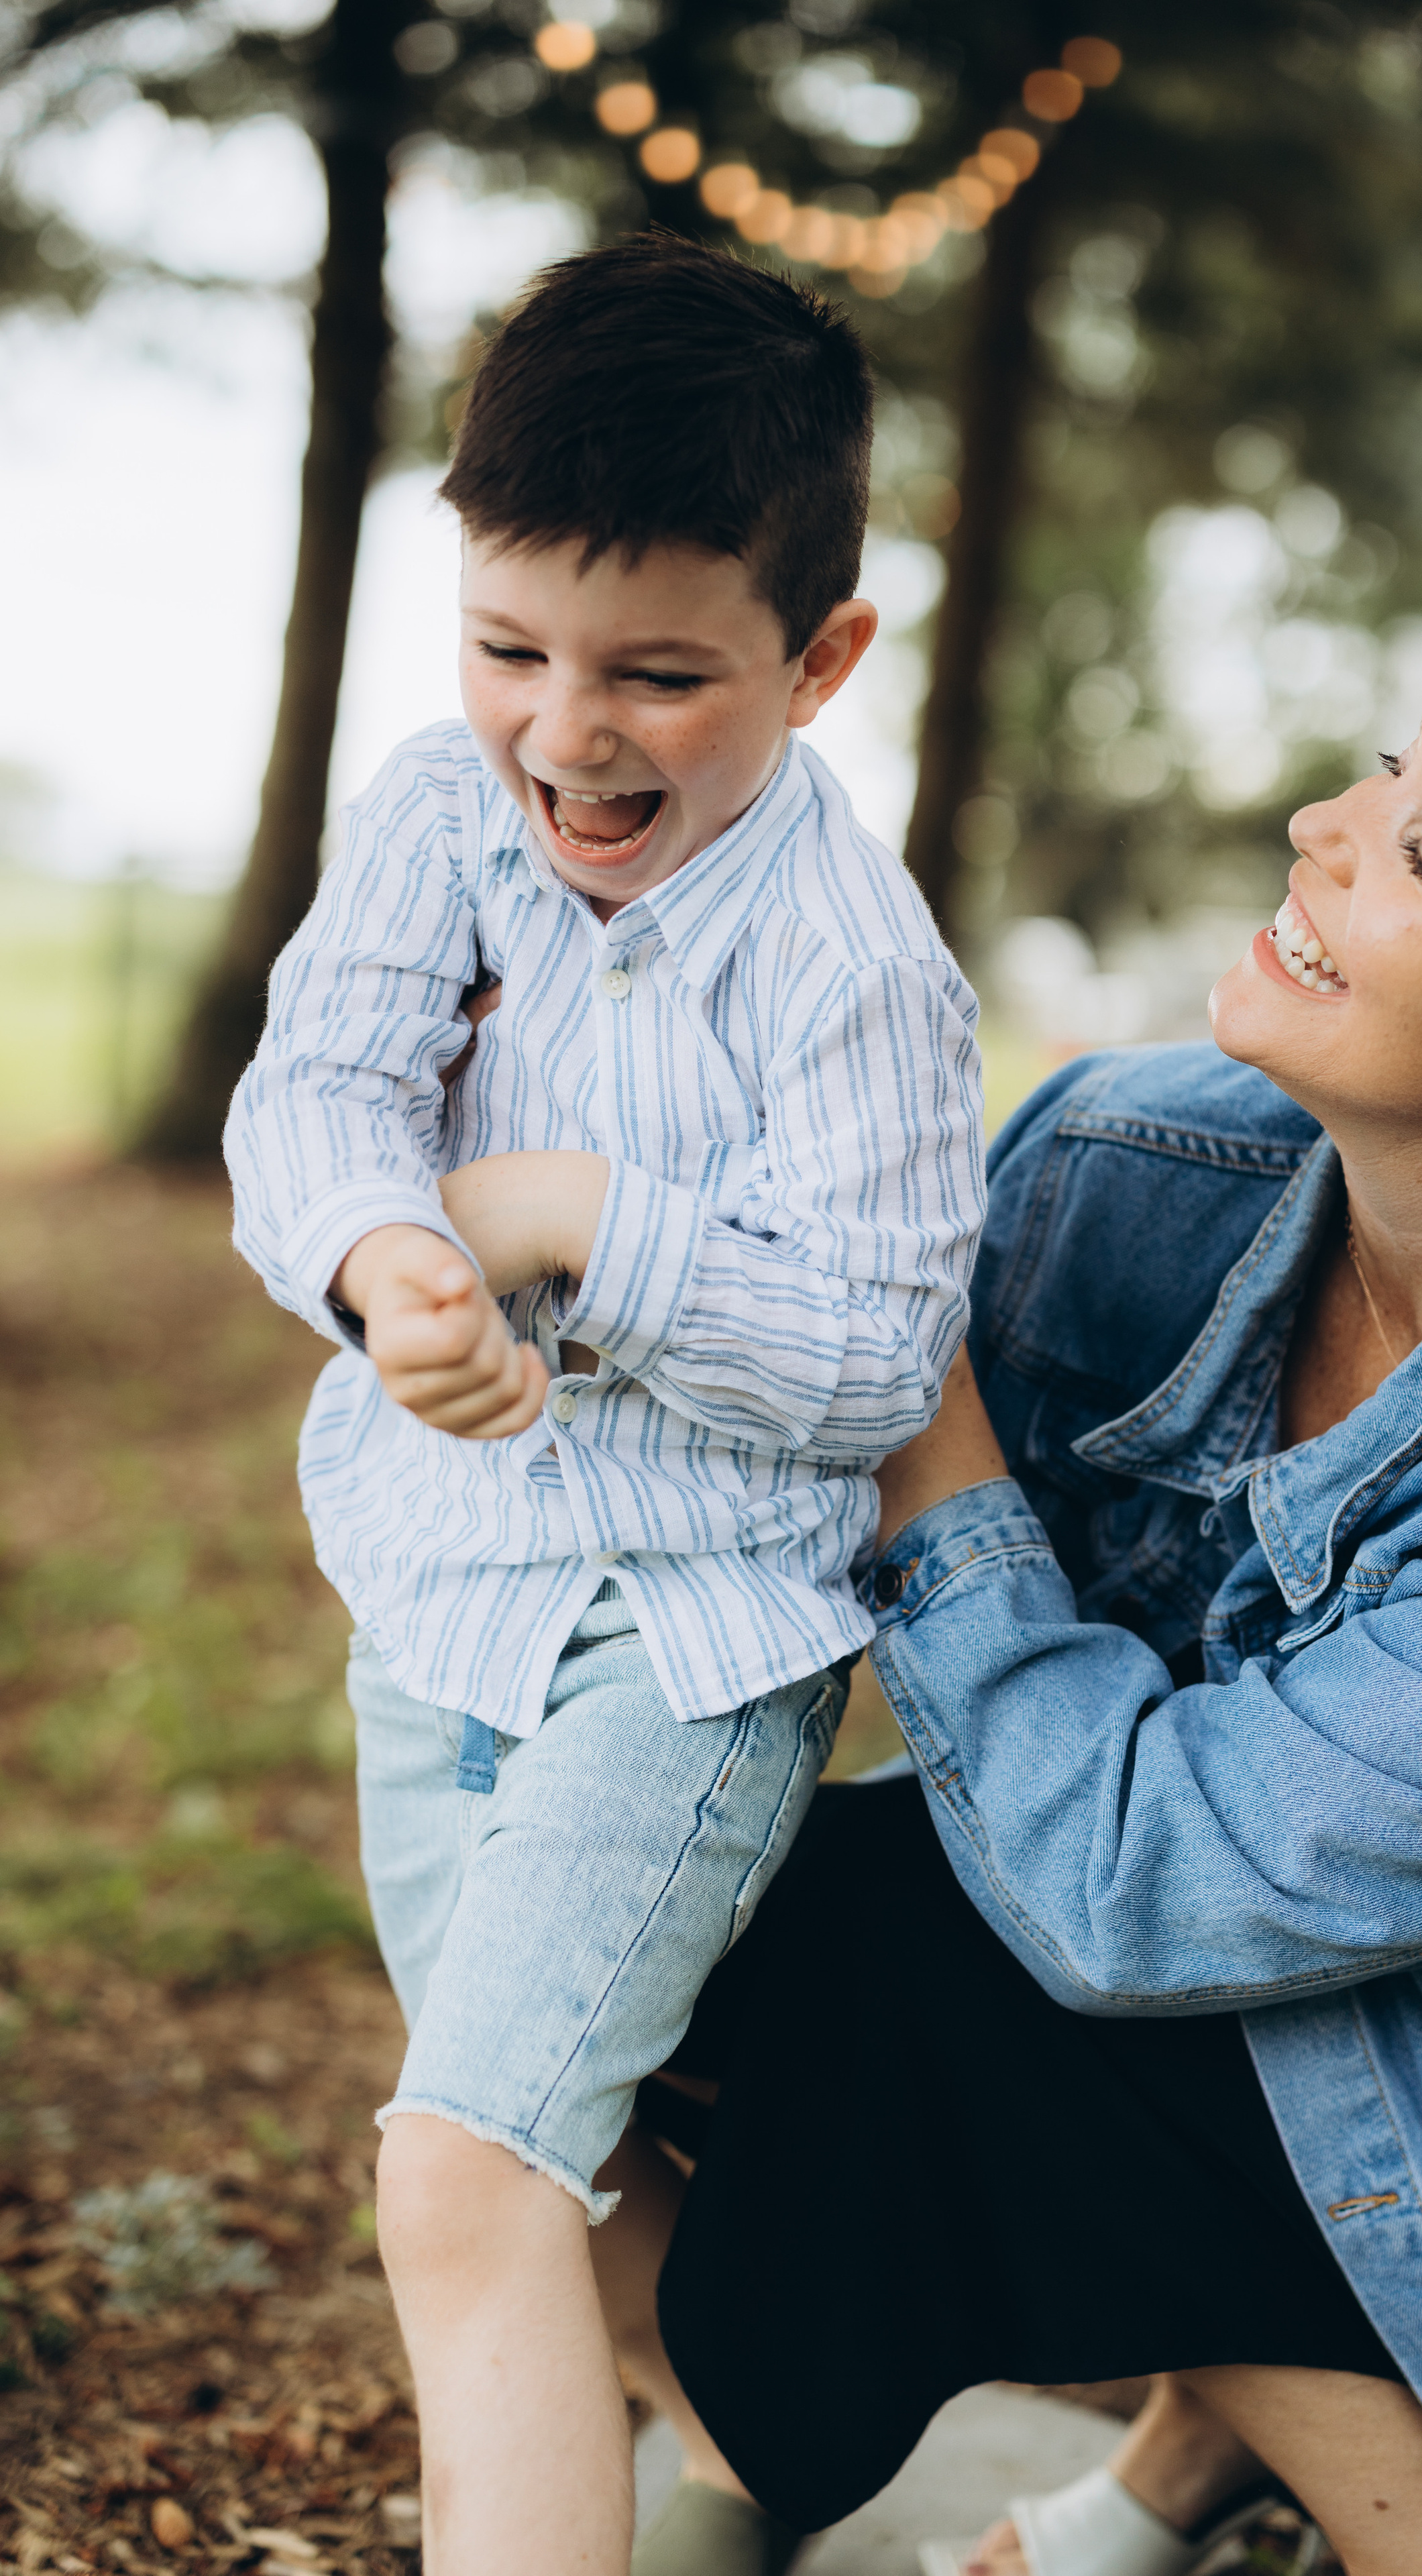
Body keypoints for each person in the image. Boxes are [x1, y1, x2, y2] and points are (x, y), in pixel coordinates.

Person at [586, 630, 1422, 2576]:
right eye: (1384, 767)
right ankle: (943, 2474)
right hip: (1299, 1990)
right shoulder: (1137, 1164)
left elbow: (1141, 1884)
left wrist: (908, 1399)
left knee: (944, 1958)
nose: (1320, 827)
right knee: (645, 1924)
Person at [223, 238, 987, 2576]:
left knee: (463, 2169)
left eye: (660, 675)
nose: (567, 732)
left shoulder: (854, 967)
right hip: (434, 1617)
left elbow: (871, 1349)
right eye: (509, 651)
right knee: (588, 2151)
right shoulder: (439, 813)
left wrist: (571, 1214)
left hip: (684, 1649)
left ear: (821, 659)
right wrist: (392, 1265)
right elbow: (316, 1088)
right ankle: (755, 2477)